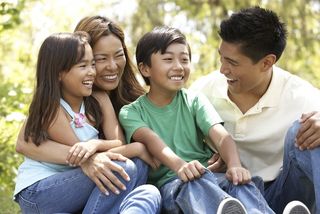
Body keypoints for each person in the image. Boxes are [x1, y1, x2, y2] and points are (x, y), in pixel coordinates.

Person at [119, 25, 277, 214]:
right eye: (168, 59)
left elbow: (221, 136)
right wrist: (181, 166)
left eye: (184, 59)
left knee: (238, 182)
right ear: (145, 69)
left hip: (209, 176)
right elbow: (153, 141)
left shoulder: (194, 100)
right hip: (174, 186)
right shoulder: (132, 112)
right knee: (193, 185)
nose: (179, 66)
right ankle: (226, 209)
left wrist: (235, 165)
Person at [15, 17, 161, 213]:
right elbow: (83, 159)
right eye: (85, 65)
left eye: (93, 64)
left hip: (75, 182)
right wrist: (136, 148)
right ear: (59, 72)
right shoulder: (54, 109)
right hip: (41, 191)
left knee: (143, 180)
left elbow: (115, 145)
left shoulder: (100, 99)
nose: (92, 71)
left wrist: (96, 144)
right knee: (125, 167)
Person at [190, 6, 319, 214]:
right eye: (221, 58)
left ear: (267, 62)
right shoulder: (202, 92)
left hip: (285, 194)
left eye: (232, 63)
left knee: (310, 129)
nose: (222, 69)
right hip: (231, 198)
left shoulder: (299, 94)